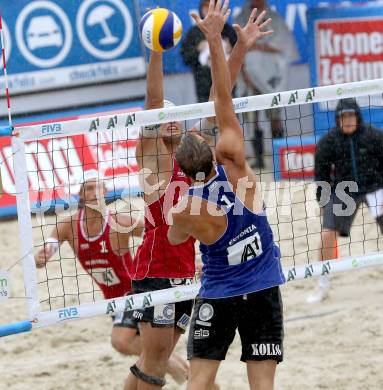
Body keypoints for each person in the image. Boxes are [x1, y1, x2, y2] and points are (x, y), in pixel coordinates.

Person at [127, 4, 275, 388]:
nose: (172, 120)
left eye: (179, 116)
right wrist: (156, 52)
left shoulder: (196, 151)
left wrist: (237, 48)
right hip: (157, 272)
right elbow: (153, 105)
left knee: (170, 363)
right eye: (166, 118)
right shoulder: (156, 162)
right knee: (157, 361)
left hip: (192, 271)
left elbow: (219, 97)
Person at [167, 2, 285, 389]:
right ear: (211, 148)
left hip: (220, 293)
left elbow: (175, 239)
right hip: (262, 289)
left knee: (199, 382)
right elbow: (223, 98)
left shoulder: (184, 207)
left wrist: (225, 44)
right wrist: (225, 43)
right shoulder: (235, 163)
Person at [34, 170, 188, 385]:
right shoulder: (68, 225)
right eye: (89, 188)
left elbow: (160, 234)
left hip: (136, 292)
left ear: (105, 191)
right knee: (145, 354)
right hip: (113, 301)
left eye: (99, 187)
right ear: (79, 194)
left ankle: (176, 367)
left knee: (122, 342)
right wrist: (42, 256)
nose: (95, 192)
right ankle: (187, 375)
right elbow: (47, 250)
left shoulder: (120, 221)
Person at [307, 98, 383, 303]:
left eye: (350, 115)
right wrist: (323, 203)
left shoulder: (375, 136)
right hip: (344, 191)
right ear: (337, 119)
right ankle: (322, 284)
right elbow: (321, 177)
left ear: (357, 116)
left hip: (375, 187)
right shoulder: (328, 142)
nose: (347, 120)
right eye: (343, 116)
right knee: (327, 233)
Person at [235, 0, 298, 168]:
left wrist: (256, 47)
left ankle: (280, 159)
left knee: (275, 117)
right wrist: (244, 73)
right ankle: (259, 158)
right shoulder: (240, 19)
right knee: (251, 119)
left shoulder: (276, 19)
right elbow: (237, 49)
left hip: (271, 80)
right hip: (248, 80)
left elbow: (282, 47)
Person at [181, 0, 237, 103]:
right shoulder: (193, 33)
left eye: (213, 6)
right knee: (208, 117)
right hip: (203, 86)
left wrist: (232, 50)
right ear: (201, 8)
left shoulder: (228, 30)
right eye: (206, 6)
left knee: (229, 114)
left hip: (227, 84)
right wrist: (197, 50)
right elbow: (186, 58)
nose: (209, 9)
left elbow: (240, 59)